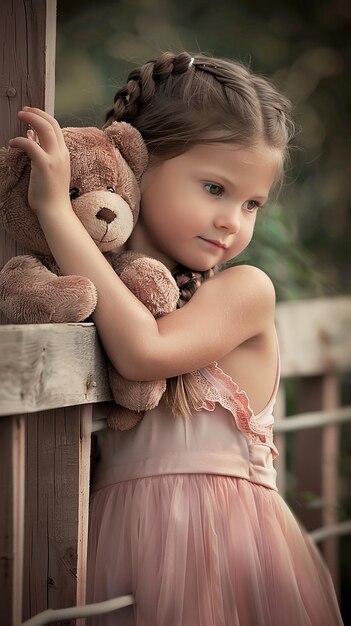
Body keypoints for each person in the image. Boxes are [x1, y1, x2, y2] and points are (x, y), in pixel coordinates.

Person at [11, 51, 343, 626]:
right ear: (140, 163)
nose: (232, 222)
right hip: (118, 555)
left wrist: (54, 212)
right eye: (215, 188)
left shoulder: (245, 292)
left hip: (220, 549)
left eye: (251, 203)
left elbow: (145, 353)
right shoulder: (118, 296)